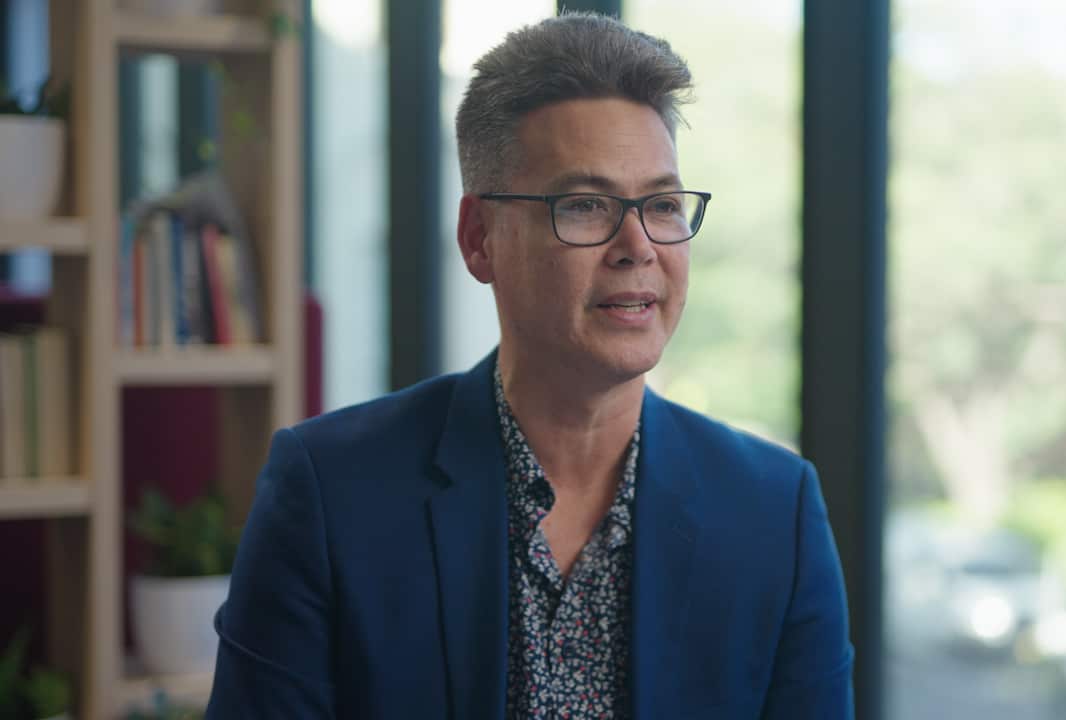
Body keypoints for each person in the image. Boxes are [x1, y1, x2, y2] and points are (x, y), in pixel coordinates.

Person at [206, 12, 852, 720]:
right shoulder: (330, 493)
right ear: (479, 238)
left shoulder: (773, 512)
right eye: (584, 205)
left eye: (662, 204)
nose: (637, 245)